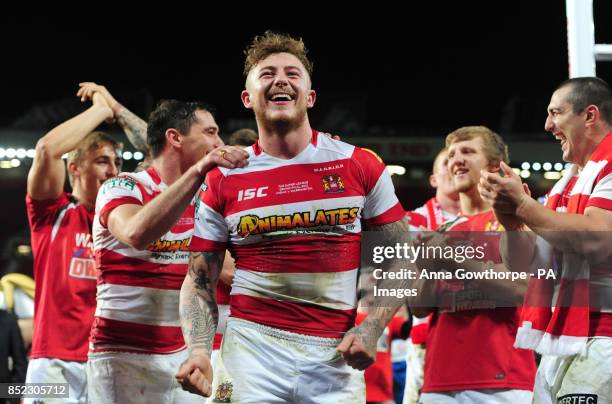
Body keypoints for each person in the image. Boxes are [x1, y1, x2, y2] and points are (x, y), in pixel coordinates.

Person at [176, 31, 409, 403]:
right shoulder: (223, 179)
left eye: (292, 73)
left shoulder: (358, 164)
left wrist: (372, 328)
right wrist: (200, 349)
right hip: (251, 353)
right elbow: (199, 280)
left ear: (310, 97)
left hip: (335, 359)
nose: (280, 80)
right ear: (247, 97)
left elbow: (405, 258)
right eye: (267, 74)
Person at [88, 99, 248, 404]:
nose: (219, 144)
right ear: (175, 137)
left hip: (184, 358)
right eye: (211, 133)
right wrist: (199, 170)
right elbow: (136, 232)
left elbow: (224, 271)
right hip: (122, 356)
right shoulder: (123, 186)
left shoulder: (207, 198)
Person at [479, 77, 612, 403]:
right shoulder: (566, 185)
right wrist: (510, 221)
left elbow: (597, 239)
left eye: (556, 113)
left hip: (605, 336)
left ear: (589, 115)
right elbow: (529, 266)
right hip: (566, 337)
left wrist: (525, 206)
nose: (548, 124)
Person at [25, 82, 146, 404]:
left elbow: (168, 154)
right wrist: (100, 109)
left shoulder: (123, 221)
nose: (113, 172)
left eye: (118, 163)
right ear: (75, 168)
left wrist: (116, 106)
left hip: (107, 361)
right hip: (52, 363)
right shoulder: (52, 212)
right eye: (102, 161)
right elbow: (47, 149)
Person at [416, 126, 536, 403]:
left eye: (468, 152)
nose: (455, 160)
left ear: (494, 166)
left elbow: (523, 289)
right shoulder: (441, 230)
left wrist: (456, 262)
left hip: (501, 379)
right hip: (438, 380)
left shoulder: (516, 220)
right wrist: (425, 267)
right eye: (451, 154)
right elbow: (420, 307)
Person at [403, 147, 459, 404]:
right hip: (427, 340)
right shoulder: (412, 221)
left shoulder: (492, 220)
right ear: (433, 179)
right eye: (447, 163)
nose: (455, 167)